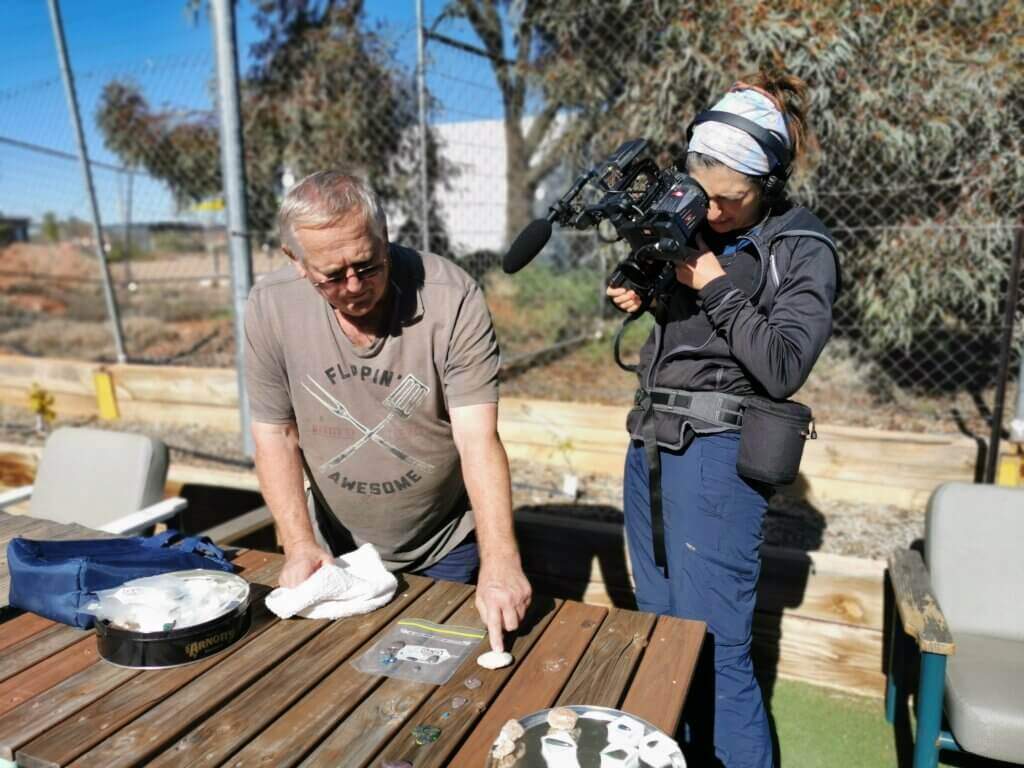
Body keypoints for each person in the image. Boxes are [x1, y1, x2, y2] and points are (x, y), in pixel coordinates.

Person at [607, 70, 839, 768]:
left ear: (766, 184)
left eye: (730, 200)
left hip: (717, 451)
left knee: (717, 645)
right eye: (702, 195)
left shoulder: (802, 245)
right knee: (660, 632)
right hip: (650, 442)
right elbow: (676, 324)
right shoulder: (695, 219)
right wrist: (638, 285)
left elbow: (784, 364)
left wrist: (711, 284)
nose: (711, 213)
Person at [244, 170, 531, 652]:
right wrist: (298, 543)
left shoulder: (451, 298)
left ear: (384, 236)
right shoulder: (271, 307)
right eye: (331, 276)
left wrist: (501, 559)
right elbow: (275, 435)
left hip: (442, 545)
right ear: (296, 261)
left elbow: (476, 438)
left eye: (368, 264)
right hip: (334, 553)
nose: (354, 286)